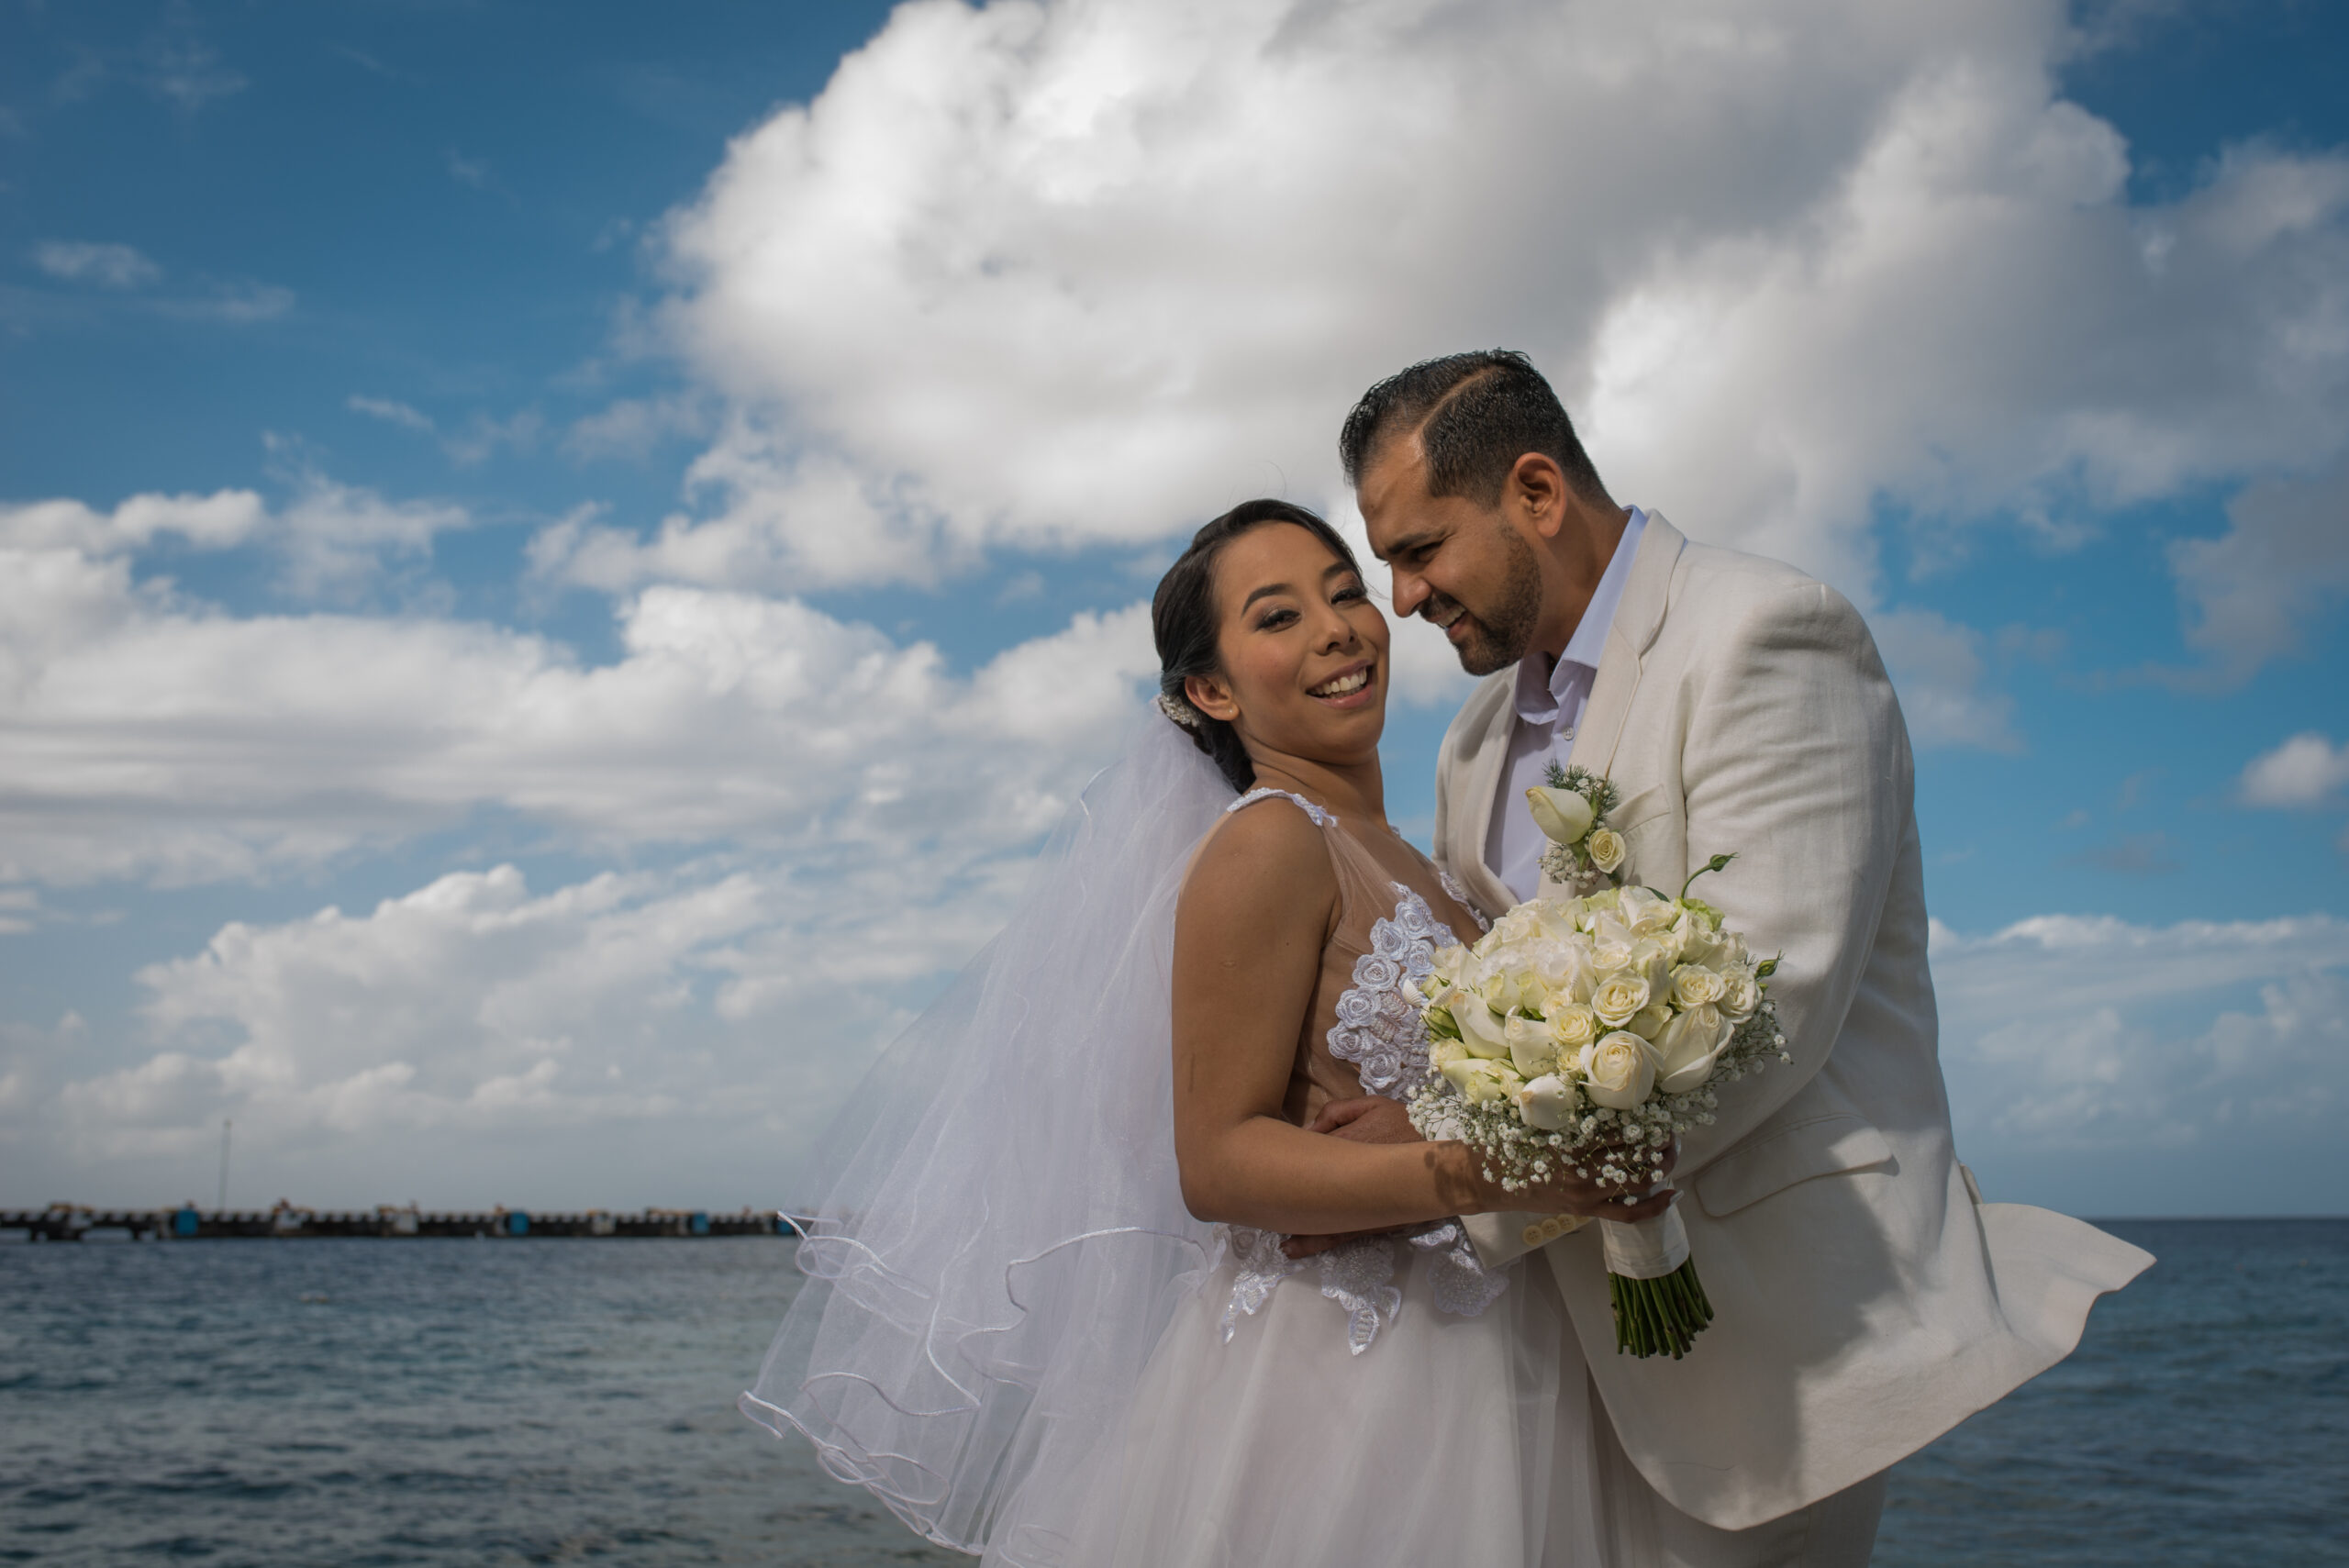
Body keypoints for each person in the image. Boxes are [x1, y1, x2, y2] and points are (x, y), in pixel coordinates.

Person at [1313, 349, 2154, 1567]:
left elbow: (1770, 1004)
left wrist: (1440, 1164)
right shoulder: (1474, 736)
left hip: (1773, 1343)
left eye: (1420, 548)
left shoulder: (1770, 630)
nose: (1400, 599)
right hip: (1552, 1349)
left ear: (1536, 492)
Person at [746, 499, 1647, 1566]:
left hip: (1500, 1352)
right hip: (1347, 1382)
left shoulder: (1432, 864)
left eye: (1344, 592)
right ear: (1212, 690)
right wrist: (1489, 1168)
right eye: (1278, 616)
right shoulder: (1270, 843)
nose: (1337, 629)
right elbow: (1217, 1161)